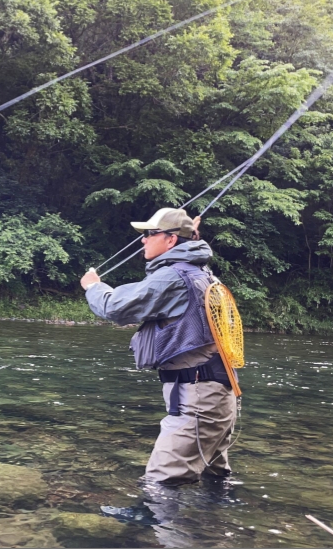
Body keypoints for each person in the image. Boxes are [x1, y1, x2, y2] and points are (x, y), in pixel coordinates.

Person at [80, 207, 238, 486]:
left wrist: (93, 286)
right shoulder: (202, 271)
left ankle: (164, 528)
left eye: (150, 234)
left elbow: (115, 307)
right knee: (215, 480)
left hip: (199, 399)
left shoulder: (173, 277)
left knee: (162, 483)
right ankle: (215, 527)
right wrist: (191, 235)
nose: (143, 240)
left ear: (171, 240)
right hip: (217, 394)